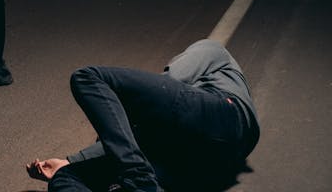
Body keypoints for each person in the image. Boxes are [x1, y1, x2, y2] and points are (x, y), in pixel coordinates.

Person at [26, 39, 260, 192]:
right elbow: (129, 141)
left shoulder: (213, 49)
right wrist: (71, 161)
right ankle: (138, 180)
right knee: (65, 177)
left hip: (226, 116)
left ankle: (141, 180)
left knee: (87, 78)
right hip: (197, 163)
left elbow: (171, 79)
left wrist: (130, 107)